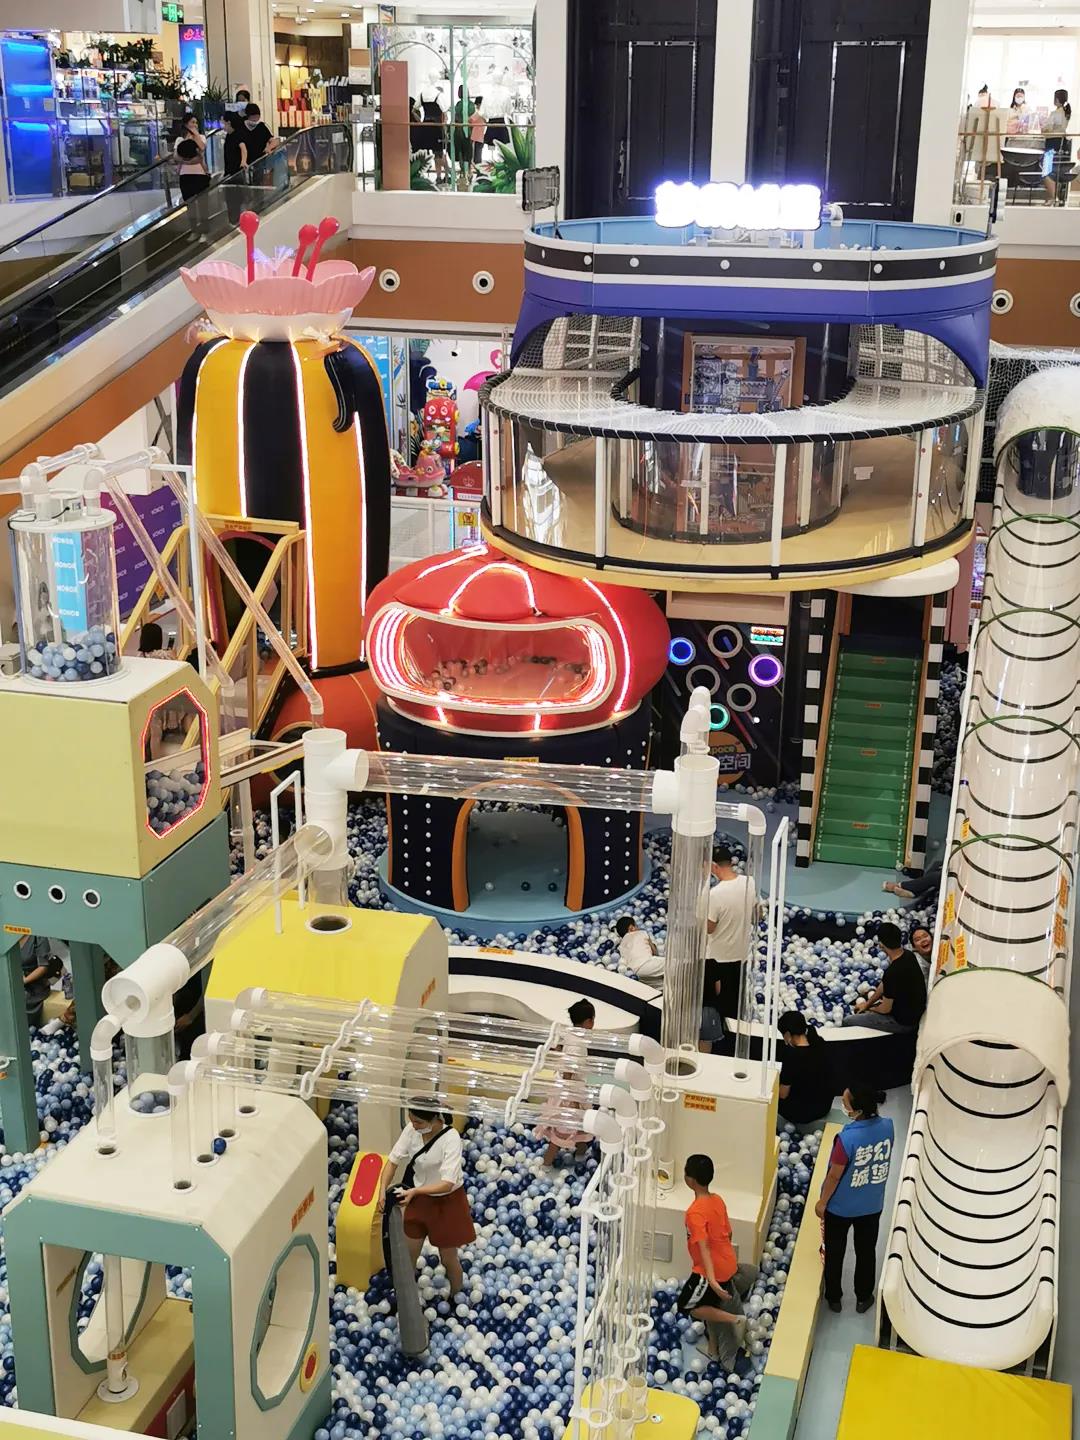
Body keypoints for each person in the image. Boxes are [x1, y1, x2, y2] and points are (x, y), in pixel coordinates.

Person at [377, 1100, 475, 1296]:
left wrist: (415, 1192)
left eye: (419, 1122)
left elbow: (447, 1183)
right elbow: (393, 1161)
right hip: (420, 1200)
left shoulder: (451, 1138)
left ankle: (456, 1296)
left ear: (435, 1119)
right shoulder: (411, 1131)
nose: (414, 1126)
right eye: (411, 1120)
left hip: (447, 1202)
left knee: (448, 1258)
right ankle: (406, 1297)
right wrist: (382, 1190)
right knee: (408, 1254)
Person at [815, 1083, 894, 1313]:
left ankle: (834, 1297)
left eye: (845, 1103)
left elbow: (834, 1176)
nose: (843, 1105)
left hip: (840, 1208)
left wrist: (822, 1202)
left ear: (857, 1110)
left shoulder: (846, 1139)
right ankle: (863, 1297)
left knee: (835, 1251)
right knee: (866, 1251)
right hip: (871, 1205)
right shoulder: (888, 1127)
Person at [677, 1154, 755, 1367]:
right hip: (727, 1261)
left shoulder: (694, 1213)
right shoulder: (717, 1200)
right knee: (709, 1303)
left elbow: (703, 1248)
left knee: (689, 1306)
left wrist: (711, 1280)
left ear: (690, 1180)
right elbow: (728, 1233)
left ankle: (735, 1320)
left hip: (711, 1271)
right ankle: (713, 1349)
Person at [535, 999, 595, 1165]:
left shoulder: (571, 1034)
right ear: (588, 1021)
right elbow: (569, 1073)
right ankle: (546, 1164)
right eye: (592, 1019)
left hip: (572, 1088)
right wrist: (573, 1101)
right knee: (561, 1132)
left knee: (582, 1126)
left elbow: (560, 1048)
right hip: (569, 1092)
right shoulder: (577, 1044)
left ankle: (581, 1155)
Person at [706, 845, 757, 1034]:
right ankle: (735, 1033)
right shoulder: (749, 882)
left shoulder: (715, 894)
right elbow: (756, 914)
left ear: (714, 866)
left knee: (717, 1005)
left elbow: (710, 928)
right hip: (741, 954)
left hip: (719, 958)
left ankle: (720, 1035)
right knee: (736, 1001)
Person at [842, 922, 926, 1034]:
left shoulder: (893, 972)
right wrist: (867, 1003)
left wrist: (870, 1009)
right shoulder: (908, 955)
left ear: (881, 944)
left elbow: (885, 1009)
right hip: (915, 1012)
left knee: (848, 1021)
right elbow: (885, 984)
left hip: (904, 1023)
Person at [777, 1011, 834, 1131]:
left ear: (787, 1034)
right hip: (824, 1106)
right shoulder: (820, 1044)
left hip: (802, 1112)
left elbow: (783, 1094)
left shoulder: (792, 1056)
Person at [19, 936, 62, 1029]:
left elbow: (43, 967)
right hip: (14, 979)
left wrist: (24, 981)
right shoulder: (7, 936)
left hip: (35, 985)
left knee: (19, 1001)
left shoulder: (38, 938)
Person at [174, 137, 210, 233]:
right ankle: (194, 230)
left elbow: (200, 157)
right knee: (190, 205)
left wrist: (184, 160)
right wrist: (188, 161)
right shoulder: (180, 140)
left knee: (203, 205)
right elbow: (176, 156)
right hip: (185, 177)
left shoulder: (200, 138)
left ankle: (205, 230)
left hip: (200, 175)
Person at [615, 916, 664, 984]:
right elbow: (655, 952)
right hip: (647, 963)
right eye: (636, 926)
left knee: (661, 985)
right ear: (632, 928)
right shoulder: (641, 933)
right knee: (674, 963)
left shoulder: (621, 946)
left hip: (636, 974)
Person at [1043, 89, 1072, 203]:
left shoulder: (1055, 114)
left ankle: (1052, 197)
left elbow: (1048, 128)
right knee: (1056, 171)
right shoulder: (1066, 113)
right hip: (1061, 143)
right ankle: (1056, 197)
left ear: (1057, 99)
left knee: (1047, 170)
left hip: (1052, 143)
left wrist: (1043, 129)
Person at [419, 92, 450, 185]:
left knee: (437, 154)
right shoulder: (439, 100)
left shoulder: (423, 98)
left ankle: (442, 176)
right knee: (438, 154)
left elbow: (414, 110)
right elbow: (445, 116)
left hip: (427, 128)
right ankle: (445, 175)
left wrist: (420, 123)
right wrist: (445, 130)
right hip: (437, 128)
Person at [468, 95, 487, 176]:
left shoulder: (479, 113)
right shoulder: (482, 113)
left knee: (476, 157)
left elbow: (470, 120)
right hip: (479, 136)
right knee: (477, 156)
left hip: (475, 137)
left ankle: (479, 173)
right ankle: (479, 173)